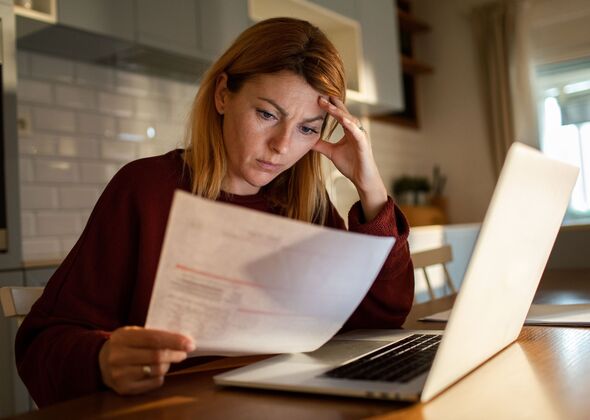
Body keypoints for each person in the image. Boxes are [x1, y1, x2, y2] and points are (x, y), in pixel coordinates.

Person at [15, 17, 414, 407]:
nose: (282, 146)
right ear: (223, 94)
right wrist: (103, 360)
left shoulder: (305, 203)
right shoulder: (146, 189)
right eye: (267, 114)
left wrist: (370, 186)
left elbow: (377, 322)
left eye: (307, 129)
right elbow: (41, 344)